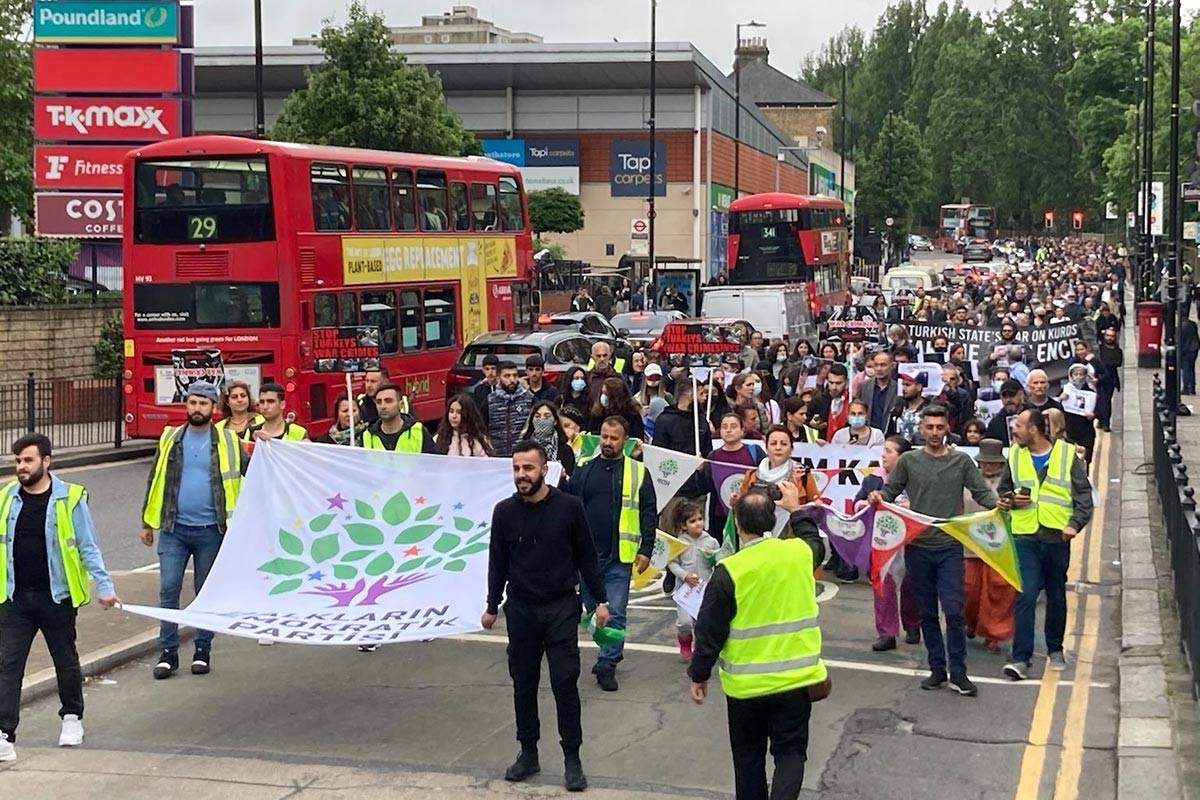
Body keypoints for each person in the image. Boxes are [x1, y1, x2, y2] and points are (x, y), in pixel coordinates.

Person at [688, 491, 830, 800]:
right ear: (772, 520)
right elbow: (815, 541)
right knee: (791, 753)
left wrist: (699, 675)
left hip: (746, 687)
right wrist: (796, 509)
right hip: (797, 679)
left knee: (748, 758)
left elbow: (710, 630)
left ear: (737, 524)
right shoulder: (798, 553)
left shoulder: (730, 570)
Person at [483, 440, 606, 792]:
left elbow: (586, 557)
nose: (521, 475)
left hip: (560, 608)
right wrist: (492, 605)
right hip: (520, 609)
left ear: (544, 470)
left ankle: (573, 759)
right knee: (523, 683)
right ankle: (528, 753)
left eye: (528, 468)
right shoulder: (504, 512)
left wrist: (600, 600)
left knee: (565, 683)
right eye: (516, 469)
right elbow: (497, 562)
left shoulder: (569, 508)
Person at [0, 433, 120, 760]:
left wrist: (105, 586)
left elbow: (87, 546)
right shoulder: (8, 497)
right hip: (14, 598)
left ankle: (71, 717)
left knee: (64, 660)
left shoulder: (69, 497)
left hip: (57, 597)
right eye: (18, 461)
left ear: (46, 461)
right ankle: (4, 734)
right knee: (7, 666)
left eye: (28, 460)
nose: (21, 467)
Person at [869, 405, 998, 697]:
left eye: (940, 428)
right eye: (930, 428)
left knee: (953, 612)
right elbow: (890, 492)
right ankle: (937, 670)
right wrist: (878, 495)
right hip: (918, 548)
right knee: (928, 614)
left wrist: (998, 505)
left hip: (950, 547)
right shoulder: (909, 461)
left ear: (947, 429)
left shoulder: (961, 462)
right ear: (921, 430)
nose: (935, 433)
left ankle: (959, 672)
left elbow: (982, 493)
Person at [140, 382, 244, 680]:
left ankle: (202, 649)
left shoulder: (228, 441)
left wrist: (270, 446)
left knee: (205, 592)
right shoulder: (171, 437)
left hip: (211, 530)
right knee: (168, 589)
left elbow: (255, 468)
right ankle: (168, 652)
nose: (196, 408)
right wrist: (146, 522)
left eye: (203, 403)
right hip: (174, 528)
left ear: (214, 408)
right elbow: (155, 478)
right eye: (192, 402)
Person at [999, 408, 1093, 680]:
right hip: (1025, 534)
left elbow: (1084, 494)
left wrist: (1075, 524)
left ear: (1034, 430)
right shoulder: (1015, 454)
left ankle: (1055, 648)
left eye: (1019, 425)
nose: (1014, 430)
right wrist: (1009, 499)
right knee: (1026, 594)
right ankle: (1020, 658)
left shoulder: (1066, 454)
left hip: (1056, 535)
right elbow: (1005, 488)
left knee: (1055, 595)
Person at [564, 417, 656, 691]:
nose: (607, 442)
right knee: (595, 613)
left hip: (620, 557)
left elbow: (649, 512)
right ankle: (610, 648)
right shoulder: (584, 470)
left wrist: (646, 548)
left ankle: (607, 663)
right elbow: (571, 508)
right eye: (604, 437)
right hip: (587, 557)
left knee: (615, 612)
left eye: (613, 438)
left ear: (624, 441)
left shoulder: (638, 472)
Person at [854, 436, 920, 649]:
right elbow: (857, 502)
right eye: (884, 450)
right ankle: (887, 633)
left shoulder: (916, 479)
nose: (884, 455)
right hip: (882, 539)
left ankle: (913, 625)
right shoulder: (873, 479)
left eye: (890, 451)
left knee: (912, 584)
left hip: (911, 539)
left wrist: (912, 506)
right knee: (883, 585)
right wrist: (866, 503)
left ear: (903, 458)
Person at [961, 439, 1016, 654]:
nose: (988, 466)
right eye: (984, 462)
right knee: (968, 588)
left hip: (999, 546)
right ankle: (971, 623)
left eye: (992, 463)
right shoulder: (967, 480)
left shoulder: (1009, 482)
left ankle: (993, 636)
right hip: (970, 544)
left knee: (998, 591)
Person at [667, 500, 719, 661]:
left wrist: (713, 557)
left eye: (700, 519)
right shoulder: (679, 544)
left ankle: (701, 648)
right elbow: (672, 563)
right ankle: (684, 640)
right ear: (684, 526)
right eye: (692, 521)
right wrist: (684, 575)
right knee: (684, 622)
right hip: (685, 591)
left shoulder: (711, 541)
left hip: (704, 590)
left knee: (702, 623)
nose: (698, 524)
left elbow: (719, 561)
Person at [360, 383, 435, 452]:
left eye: (388, 401)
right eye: (379, 402)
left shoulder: (418, 431)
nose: (383, 406)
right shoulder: (367, 436)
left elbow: (433, 463)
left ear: (401, 404)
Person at [484, 361, 536, 458]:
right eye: (507, 376)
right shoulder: (489, 400)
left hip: (523, 456)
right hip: (496, 456)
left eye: (515, 375)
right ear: (499, 378)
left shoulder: (529, 399)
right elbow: (481, 428)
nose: (512, 380)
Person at [651, 377, 713, 457]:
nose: (704, 398)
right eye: (701, 394)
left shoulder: (701, 419)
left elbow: (708, 450)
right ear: (690, 396)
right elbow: (659, 453)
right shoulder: (665, 421)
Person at [519, 401, 577, 475]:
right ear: (532, 420)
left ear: (555, 421)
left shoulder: (565, 450)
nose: (542, 420)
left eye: (547, 416)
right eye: (537, 416)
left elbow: (570, 478)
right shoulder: (523, 449)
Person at [856, 350, 899, 433]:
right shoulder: (863, 386)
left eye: (883, 365)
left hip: (889, 435)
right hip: (867, 434)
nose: (879, 369)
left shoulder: (898, 388)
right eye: (876, 365)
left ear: (891, 366)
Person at [886, 372, 930, 443]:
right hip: (901, 451)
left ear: (919, 387)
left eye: (907, 385)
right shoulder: (897, 409)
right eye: (903, 384)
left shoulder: (930, 409)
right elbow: (890, 434)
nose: (903, 388)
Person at [1096, 327, 1123, 430]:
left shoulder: (1117, 350)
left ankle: (1106, 423)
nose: (1109, 338)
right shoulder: (1099, 349)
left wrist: (1106, 364)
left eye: (1112, 336)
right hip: (1098, 379)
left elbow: (1118, 362)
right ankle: (1100, 419)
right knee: (1099, 401)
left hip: (1110, 380)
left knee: (1107, 401)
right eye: (1108, 336)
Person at [984, 379, 1027, 443]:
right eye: (1005, 396)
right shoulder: (995, 423)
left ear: (1021, 394)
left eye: (1012, 395)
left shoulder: (1033, 417)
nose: (1008, 400)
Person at [1180, 314, 1199, 396]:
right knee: (1191, 368)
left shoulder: (1181, 327)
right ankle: (1192, 387)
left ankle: (1186, 388)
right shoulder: (1193, 324)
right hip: (1195, 349)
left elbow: (1181, 340)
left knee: (1185, 369)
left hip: (1186, 350)